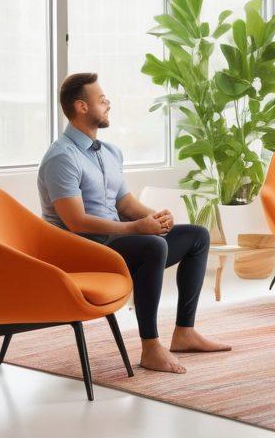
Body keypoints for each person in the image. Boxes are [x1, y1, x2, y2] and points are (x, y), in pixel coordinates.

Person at [38, 72, 230, 374]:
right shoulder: (62, 157)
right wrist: (135, 229)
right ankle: (150, 347)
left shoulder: (110, 152)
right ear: (82, 107)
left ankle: (184, 333)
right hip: (82, 250)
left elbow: (125, 205)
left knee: (197, 236)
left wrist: (156, 217)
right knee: (152, 247)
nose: (108, 104)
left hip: (115, 242)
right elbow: (75, 222)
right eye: (102, 100)